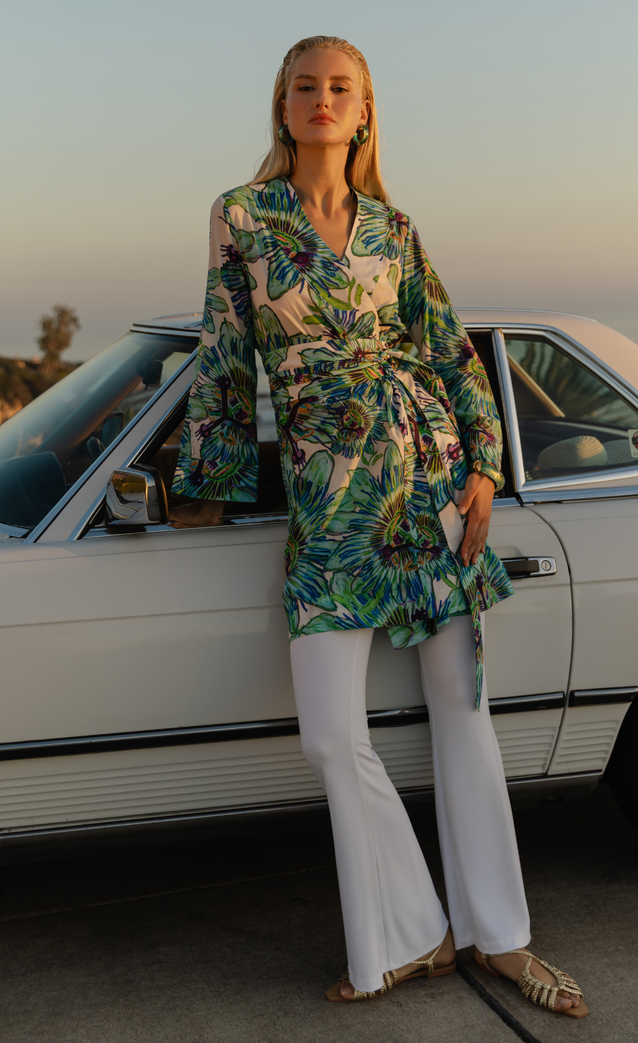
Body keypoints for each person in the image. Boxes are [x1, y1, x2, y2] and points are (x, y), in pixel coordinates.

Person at [169, 35, 588, 1018]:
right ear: (283, 105)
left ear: (364, 113)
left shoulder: (394, 229)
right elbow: (225, 355)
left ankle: (502, 936)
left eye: (340, 88)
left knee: (461, 707)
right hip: (329, 501)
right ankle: (412, 930)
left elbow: (448, 351)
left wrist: (484, 468)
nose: (322, 100)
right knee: (329, 733)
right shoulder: (242, 215)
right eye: (305, 86)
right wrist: (208, 483)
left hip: (430, 478)